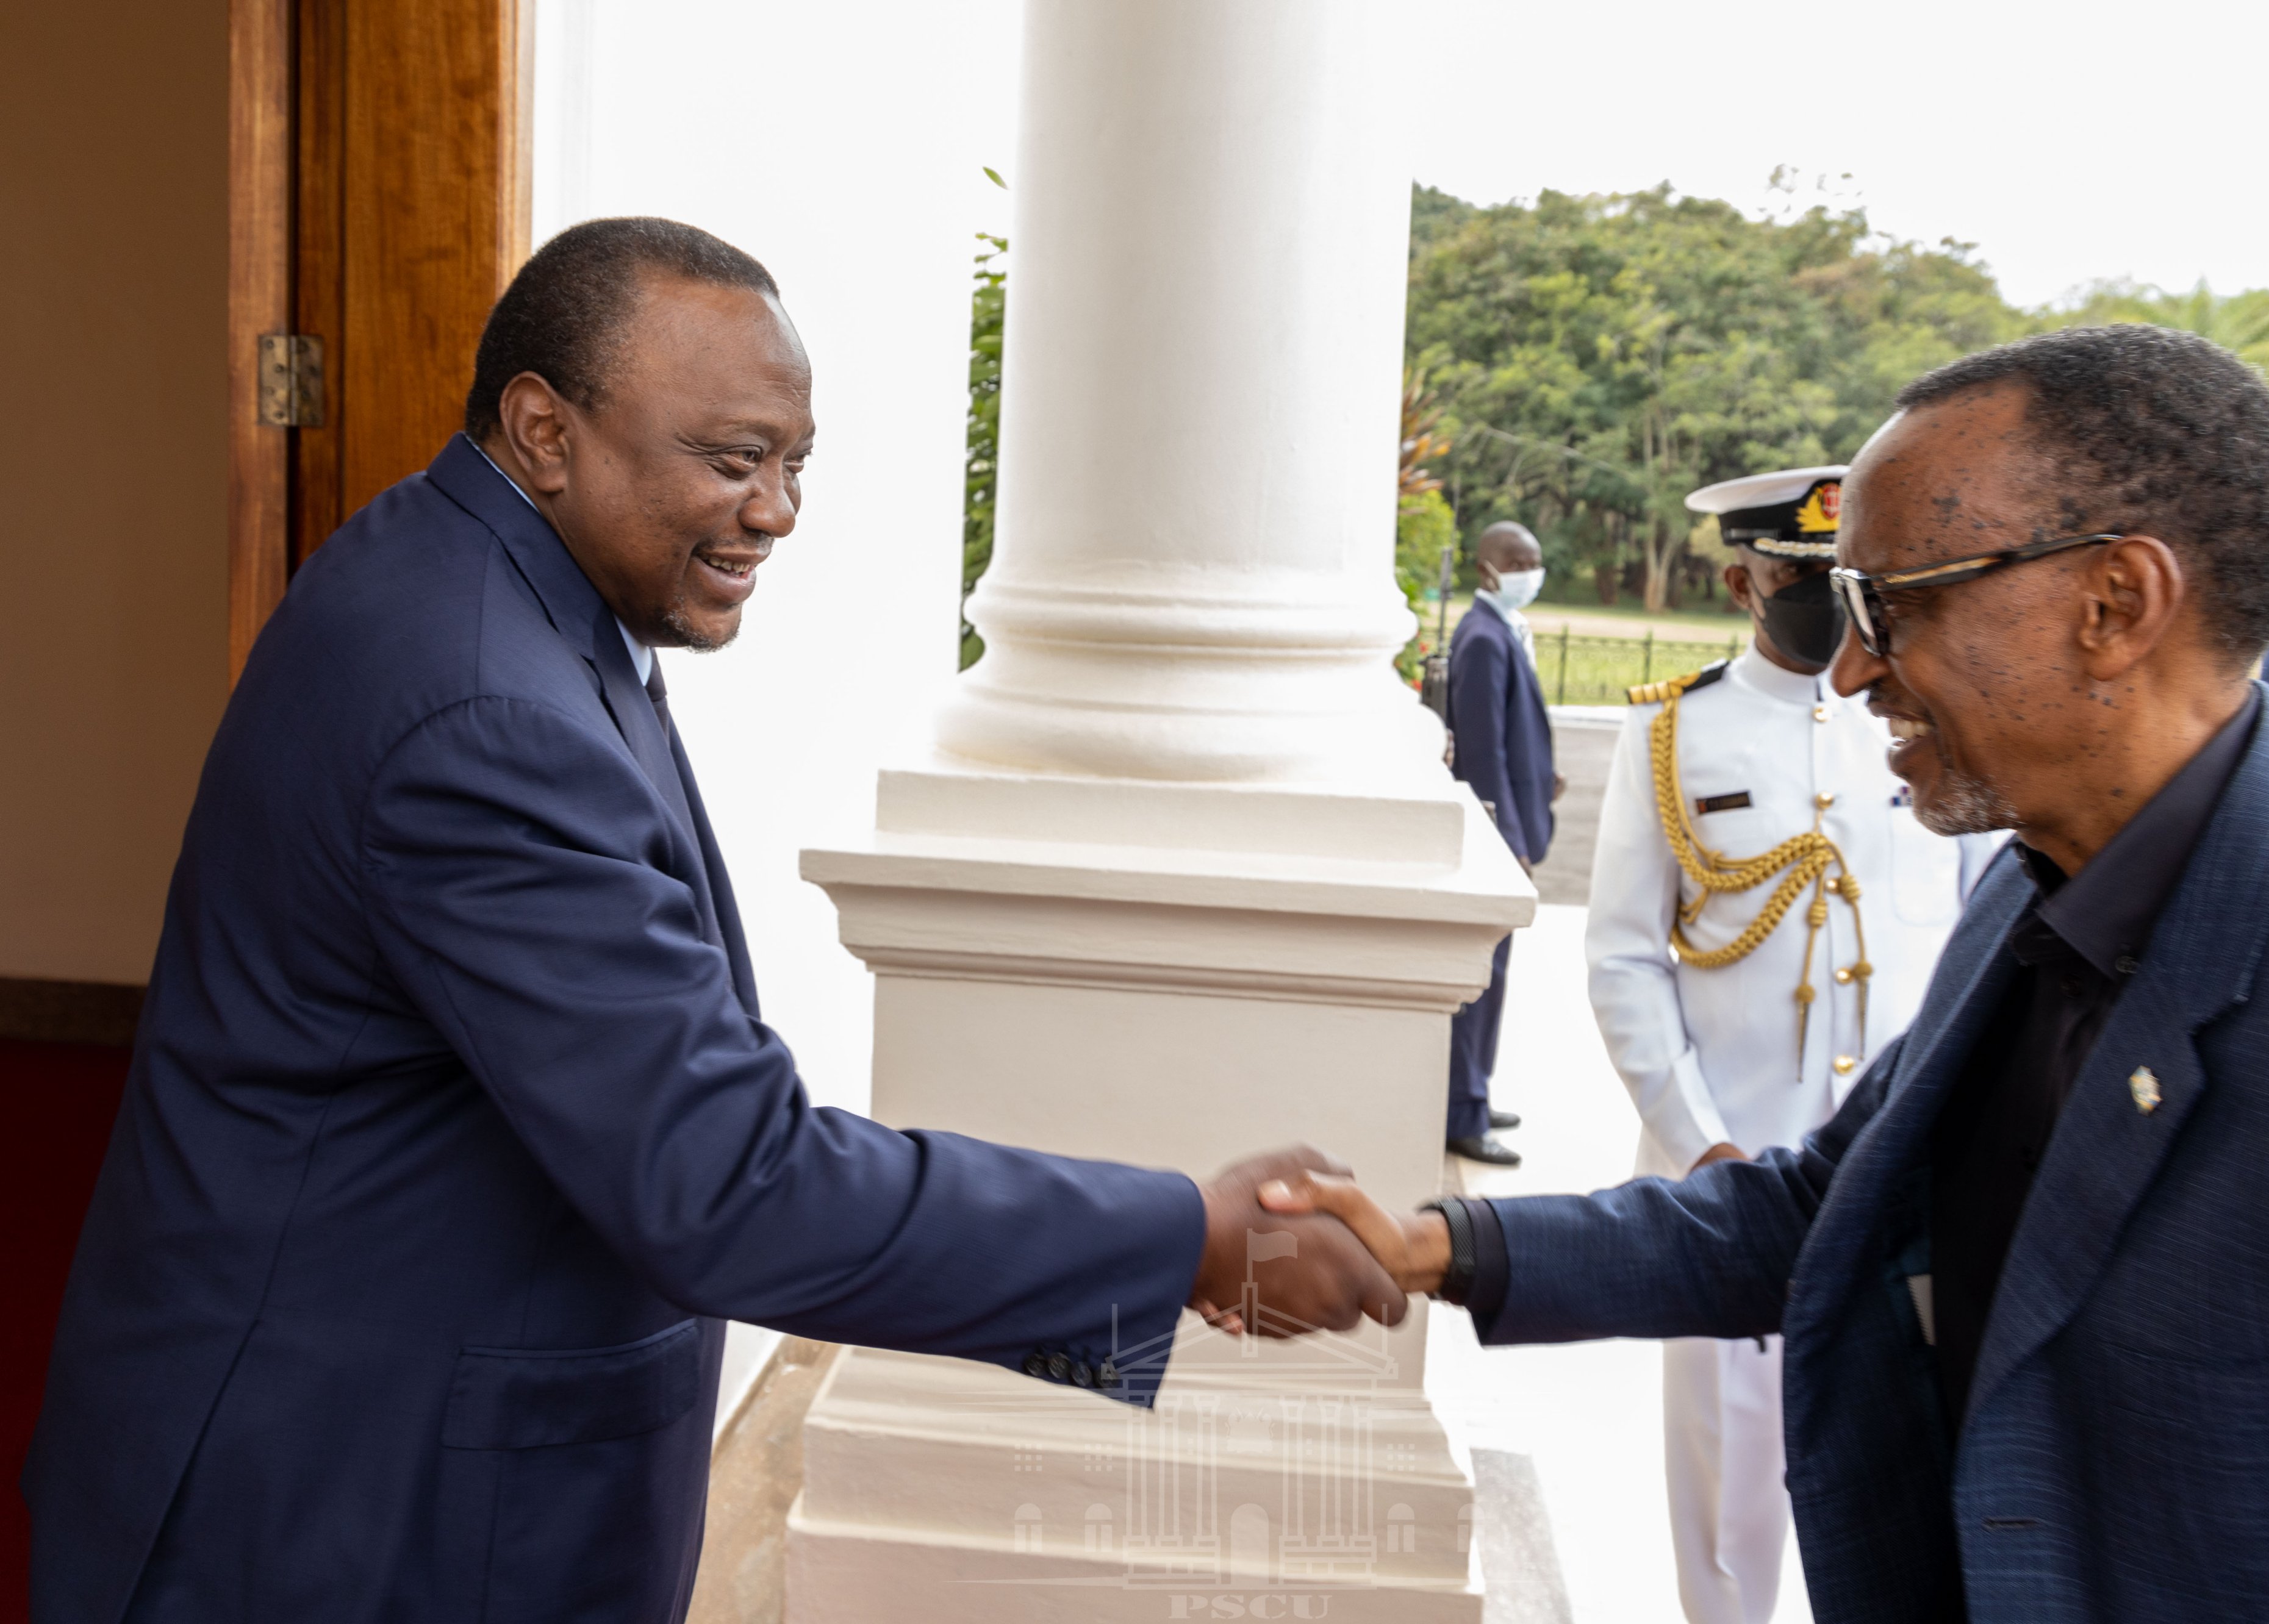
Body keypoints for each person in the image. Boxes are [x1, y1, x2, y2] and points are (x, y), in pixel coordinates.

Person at [23, 219, 1400, 1624]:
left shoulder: (478, 578)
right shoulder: (483, 707)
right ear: (544, 430)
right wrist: (1183, 1236)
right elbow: (731, 1182)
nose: (778, 510)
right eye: (734, 458)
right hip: (343, 1515)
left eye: (795, 464)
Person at [1266, 324, 2269, 1620]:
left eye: (1888, 607)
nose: (1848, 670)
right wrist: (1430, 1246)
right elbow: (1819, 1209)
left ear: (2114, 604)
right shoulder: (2043, 881)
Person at [1587, 465, 1994, 1624]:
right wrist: (1696, 1143)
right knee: (1730, 1452)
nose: (1827, 605)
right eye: (1797, 581)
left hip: (1901, 1154)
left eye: (1844, 582)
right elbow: (1621, 957)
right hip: (1738, 1154)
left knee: (1910, 1430)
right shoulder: (1676, 733)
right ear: (1742, 582)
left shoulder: (1923, 720)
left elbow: (1981, 930)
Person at [1444, 520, 1560, 1166]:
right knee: (1480, 976)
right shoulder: (1484, 638)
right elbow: (1483, 752)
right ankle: (1462, 1109)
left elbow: (1512, 734)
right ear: (1486, 568)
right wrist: (1507, 837)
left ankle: (1475, 1094)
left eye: (1535, 559)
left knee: (1495, 973)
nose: (1528, 570)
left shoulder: (1501, 630)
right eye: (1517, 560)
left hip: (1510, 820)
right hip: (1495, 833)